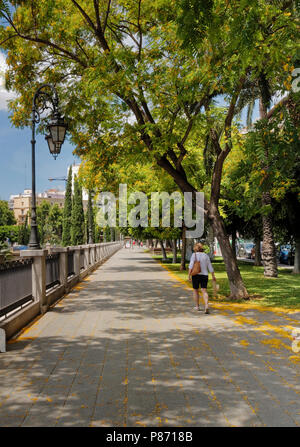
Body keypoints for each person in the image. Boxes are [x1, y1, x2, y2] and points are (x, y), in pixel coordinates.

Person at [188, 242, 216, 314]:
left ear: (195, 248)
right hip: (204, 275)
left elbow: (191, 266)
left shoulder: (194, 255)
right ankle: (206, 306)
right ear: (202, 248)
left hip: (195, 275)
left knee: (195, 290)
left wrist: (189, 275)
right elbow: (210, 266)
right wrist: (213, 276)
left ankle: (197, 307)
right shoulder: (206, 256)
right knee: (204, 290)